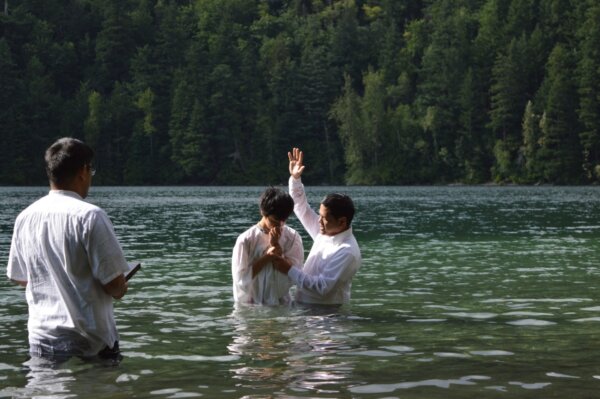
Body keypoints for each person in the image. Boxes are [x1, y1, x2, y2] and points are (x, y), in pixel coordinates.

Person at [6, 137, 130, 360]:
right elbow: (114, 285)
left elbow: (21, 278)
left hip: (42, 339)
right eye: (91, 170)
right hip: (91, 343)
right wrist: (121, 286)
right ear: (83, 170)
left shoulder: (25, 217)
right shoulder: (91, 216)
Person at [271, 148, 361, 305]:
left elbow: (323, 287)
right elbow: (301, 207)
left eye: (324, 218)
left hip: (328, 317)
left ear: (342, 222)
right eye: (319, 215)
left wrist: (288, 268)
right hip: (304, 308)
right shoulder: (325, 231)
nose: (318, 220)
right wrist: (295, 179)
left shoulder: (347, 251)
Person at [232, 187, 304, 305]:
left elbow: (296, 275)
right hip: (251, 305)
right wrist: (267, 257)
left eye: (284, 220)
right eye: (275, 220)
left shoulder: (292, 237)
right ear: (263, 212)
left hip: (282, 304)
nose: (280, 224)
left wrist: (278, 252)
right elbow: (240, 279)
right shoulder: (246, 240)